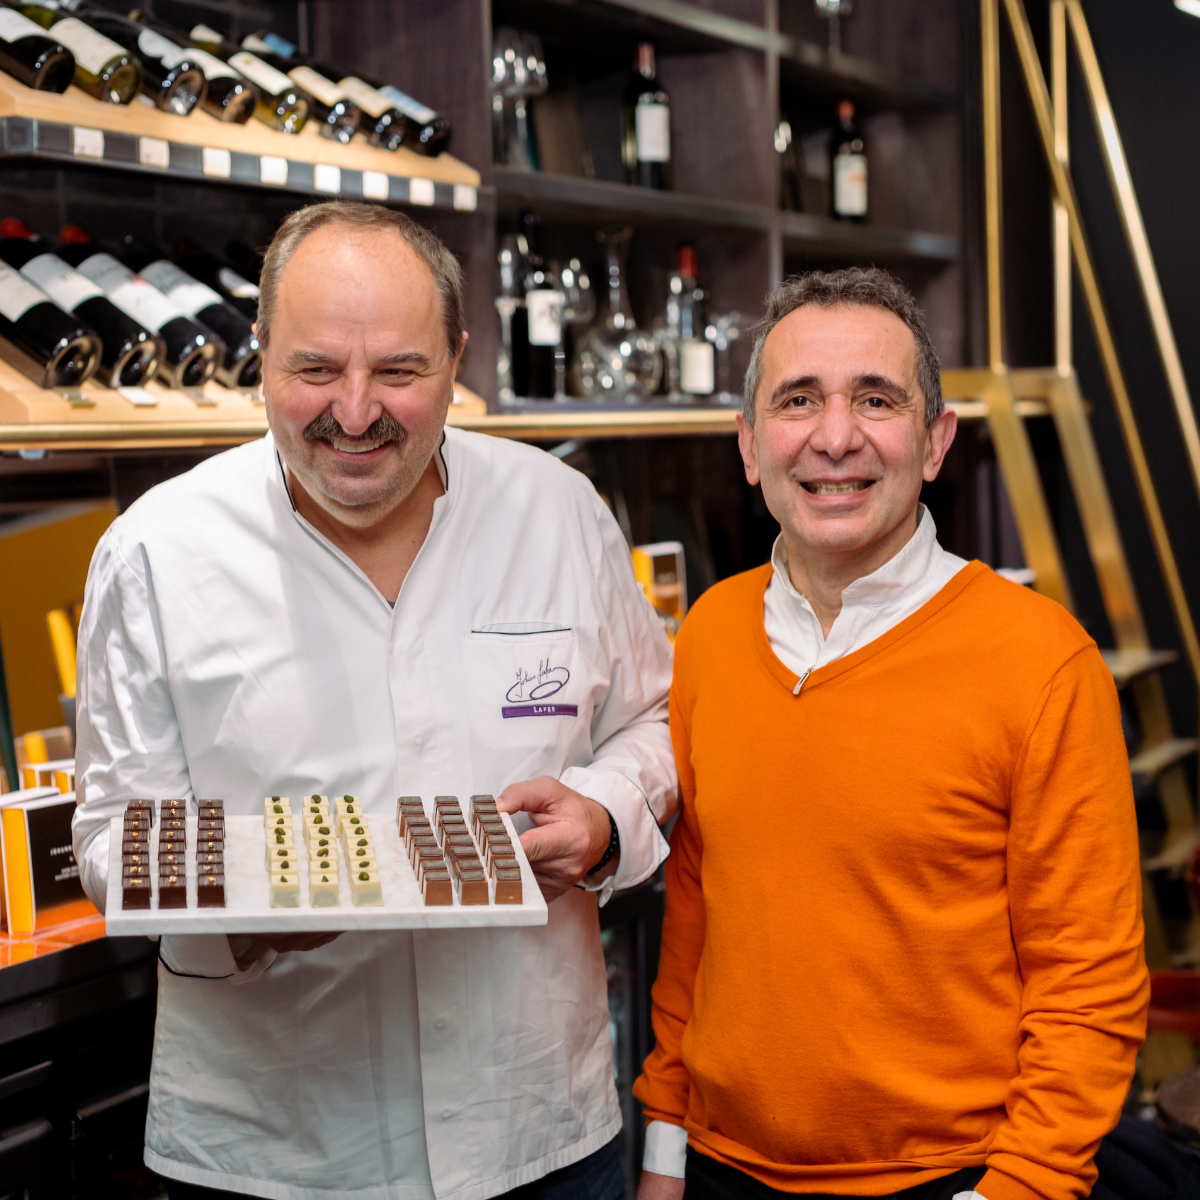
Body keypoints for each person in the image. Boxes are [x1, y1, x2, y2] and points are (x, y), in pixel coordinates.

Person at [72, 200, 677, 1200]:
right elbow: (112, 835)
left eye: (399, 371)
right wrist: (247, 913)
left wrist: (606, 815)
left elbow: (654, 720)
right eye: (315, 369)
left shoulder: (557, 511)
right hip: (278, 1156)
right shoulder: (155, 552)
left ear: (459, 359)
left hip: (538, 1132)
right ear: (261, 353)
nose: (355, 414)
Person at [633, 268, 1149, 1200]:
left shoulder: (1041, 662)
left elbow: (1090, 984)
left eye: (876, 399)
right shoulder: (707, 633)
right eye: (798, 400)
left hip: (952, 1179)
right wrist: (664, 1148)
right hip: (718, 1170)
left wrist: (1020, 1190)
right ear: (749, 444)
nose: (835, 437)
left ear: (936, 441)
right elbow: (697, 916)